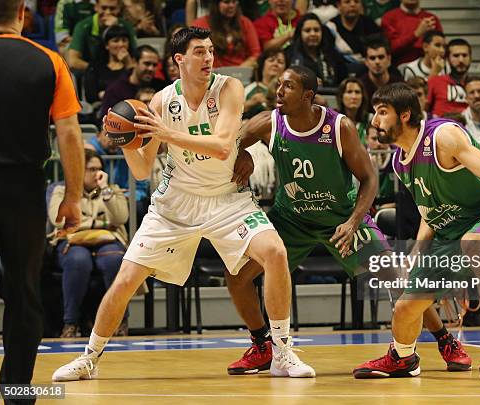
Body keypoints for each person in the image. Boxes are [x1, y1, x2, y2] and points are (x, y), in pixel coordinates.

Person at [52, 27, 315, 382]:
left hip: (227, 200)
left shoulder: (229, 89)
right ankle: (88, 359)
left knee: (275, 253)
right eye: (199, 52)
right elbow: (143, 170)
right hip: (175, 205)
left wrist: (164, 134)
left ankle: (283, 352)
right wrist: (126, 140)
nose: (208, 58)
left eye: (210, 51)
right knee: (126, 278)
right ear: (179, 59)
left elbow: (223, 146)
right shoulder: (160, 102)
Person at [226, 66, 471, 377]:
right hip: (291, 221)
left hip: (342, 220)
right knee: (236, 276)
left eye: (287, 86)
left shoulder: (338, 127)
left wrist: (355, 221)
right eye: (278, 85)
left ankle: (445, 341)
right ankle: (262, 344)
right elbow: (229, 144)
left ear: (307, 95)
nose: (278, 91)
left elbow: (368, 178)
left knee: (397, 278)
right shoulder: (269, 123)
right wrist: (243, 155)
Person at [358, 82, 480, 383]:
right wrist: (416, 254)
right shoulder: (402, 163)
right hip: (452, 233)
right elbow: (431, 213)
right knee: (405, 307)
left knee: (474, 242)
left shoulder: (444, 136)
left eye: (382, 112)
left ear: (404, 115)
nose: (375, 121)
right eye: (375, 113)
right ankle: (403, 358)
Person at [0, 0, 84, 395]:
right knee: (23, 290)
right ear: (21, 13)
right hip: (23, 189)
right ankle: (16, 390)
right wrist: (73, 196)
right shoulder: (48, 60)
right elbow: (69, 133)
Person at [49, 149, 130, 338]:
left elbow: (120, 218)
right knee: (79, 260)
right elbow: (59, 219)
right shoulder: (62, 190)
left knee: (114, 259)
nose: (97, 174)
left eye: (99, 169)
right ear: (79, 169)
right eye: (91, 169)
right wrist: (100, 223)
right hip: (72, 240)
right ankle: (70, 323)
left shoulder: (111, 189)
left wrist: (106, 191)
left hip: (107, 241)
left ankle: (120, 321)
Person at [67, 0, 137, 71]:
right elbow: (73, 61)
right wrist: (100, 72)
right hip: (92, 72)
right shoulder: (83, 26)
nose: (108, 12)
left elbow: (135, 57)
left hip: (121, 72)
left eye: (112, 9)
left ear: (119, 8)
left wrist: (115, 29)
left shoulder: (126, 26)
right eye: (103, 8)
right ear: (96, 7)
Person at [99, 44, 165, 118]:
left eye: (154, 65)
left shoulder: (162, 88)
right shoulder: (115, 90)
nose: (151, 69)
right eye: (147, 63)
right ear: (134, 62)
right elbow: (106, 122)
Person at [191, 0, 261, 68]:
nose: (231, 5)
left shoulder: (245, 23)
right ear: (216, 5)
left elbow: (255, 53)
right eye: (226, 2)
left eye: (234, 2)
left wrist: (239, 71)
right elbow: (194, 53)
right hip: (212, 73)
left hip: (240, 73)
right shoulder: (200, 24)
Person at [287, 13, 347, 88]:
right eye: (307, 30)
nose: (313, 34)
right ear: (300, 33)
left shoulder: (333, 55)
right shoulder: (289, 54)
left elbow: (343, 84)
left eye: (316, 30)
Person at [381, 0, 443, 66]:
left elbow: (441, 48)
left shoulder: (432, 19)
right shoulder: (389, 17)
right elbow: (390, 48)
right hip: (398, 69)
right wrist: (416, 34)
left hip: (429, 68)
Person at [83, 24, 135, 104]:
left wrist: (128, 64)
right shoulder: (95, 67)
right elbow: (90, 96)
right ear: (107, 45)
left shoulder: (135, 65)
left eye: (124, 40)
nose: (121, 44)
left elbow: (137, 89)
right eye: (116, 41)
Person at [325, 0, 381, 66]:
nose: (353, 5)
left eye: (356, 1)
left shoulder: (370, 25)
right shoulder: (330, 27)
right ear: (339, 5)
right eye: (347, 2)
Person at [426, 38, 471, 117]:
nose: (461, 60)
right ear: (447, 59)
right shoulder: (435, 81)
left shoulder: (477, 85)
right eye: (456, 56)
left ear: (470, 58)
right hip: (441, 126)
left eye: (464, 55)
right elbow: (423, 108)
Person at [358, 37, 404, 114]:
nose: (377, 62)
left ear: (389, 59)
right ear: (366, 62)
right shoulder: (359, 86)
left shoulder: (400, 86)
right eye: (372, 58)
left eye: (381, 57)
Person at [244, 48, 286, 119]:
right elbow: (232, 113)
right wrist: (251, 102)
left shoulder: (287, 90)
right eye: (271, 60)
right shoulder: (249, 89)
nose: (275, 64)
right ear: (262, 64)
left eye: (280, 62)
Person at [336, 77, 370, 142]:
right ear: (341, 96)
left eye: (357, 92)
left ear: (363, 96)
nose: (354, 96)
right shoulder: (333, 120)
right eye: (349, 92)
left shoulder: (370, 120)